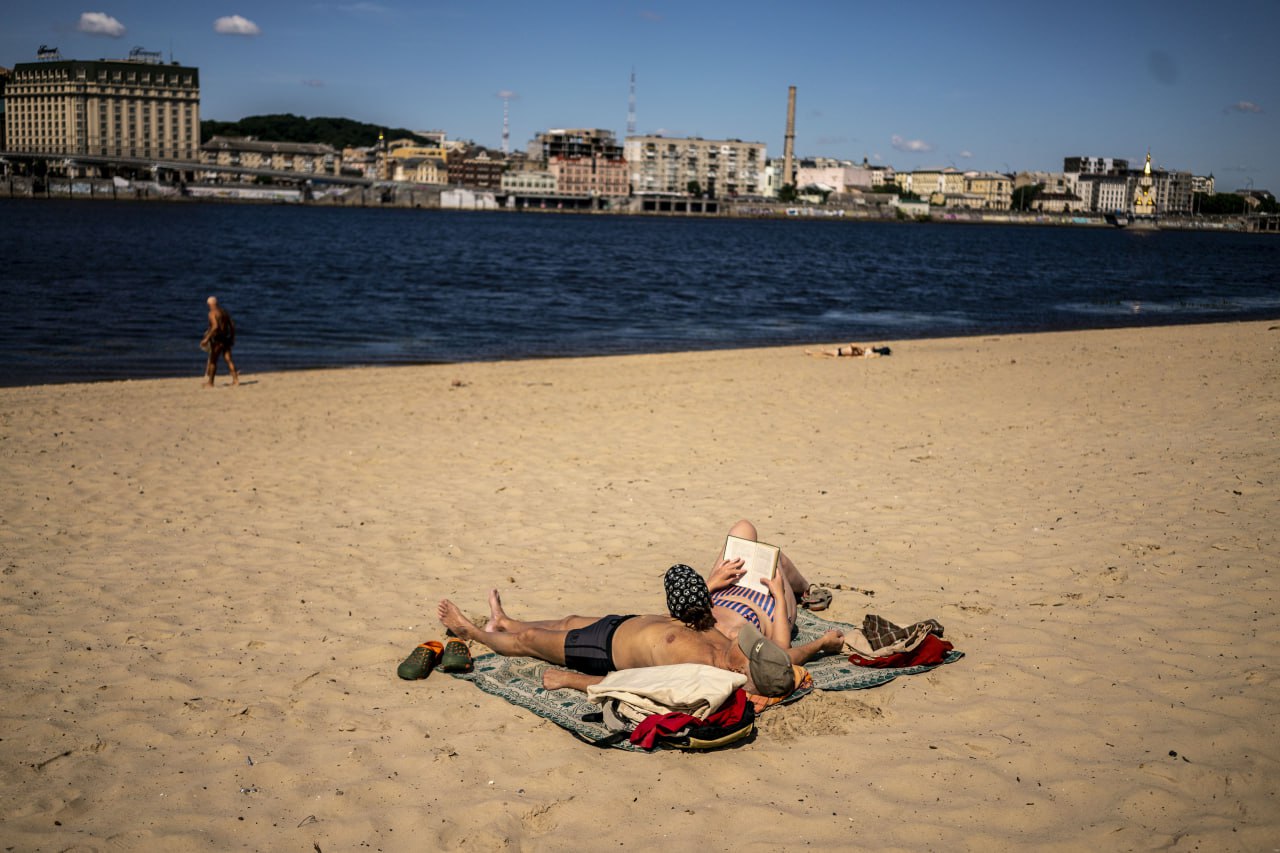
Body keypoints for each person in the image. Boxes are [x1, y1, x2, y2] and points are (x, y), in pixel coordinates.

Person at [436, 590, 798, 698]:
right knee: (566, 621)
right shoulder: (728, 650)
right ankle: (504, 621)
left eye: (745, 646)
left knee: (530, 642)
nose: (740, 637)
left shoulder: (701, 672)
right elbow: (788, 658)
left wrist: (571, 680)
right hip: (622, 625)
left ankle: (473, 632)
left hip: (602, 651)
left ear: (739, 667)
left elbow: (637, 685)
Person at [672, 520, 842, 663]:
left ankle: (804, 588)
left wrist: (711, 584)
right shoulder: (735, 639)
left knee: (744, 528)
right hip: (769, 606)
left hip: (721, 590)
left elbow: (680, 604)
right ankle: (804, 590)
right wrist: (823, 642)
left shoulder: (685, 626)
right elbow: (782, 652)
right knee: (774, 560)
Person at [201, 296, 239, 387]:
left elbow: (215, 326)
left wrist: (206, 339)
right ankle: (236, 380)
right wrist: (232, 337)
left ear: (209, 304)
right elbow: (232, 325)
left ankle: (210, 383)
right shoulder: (224, 312)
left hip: (217, 340)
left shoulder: (212, 313)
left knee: (213, 361)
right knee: (229, 360)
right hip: (226, 338)